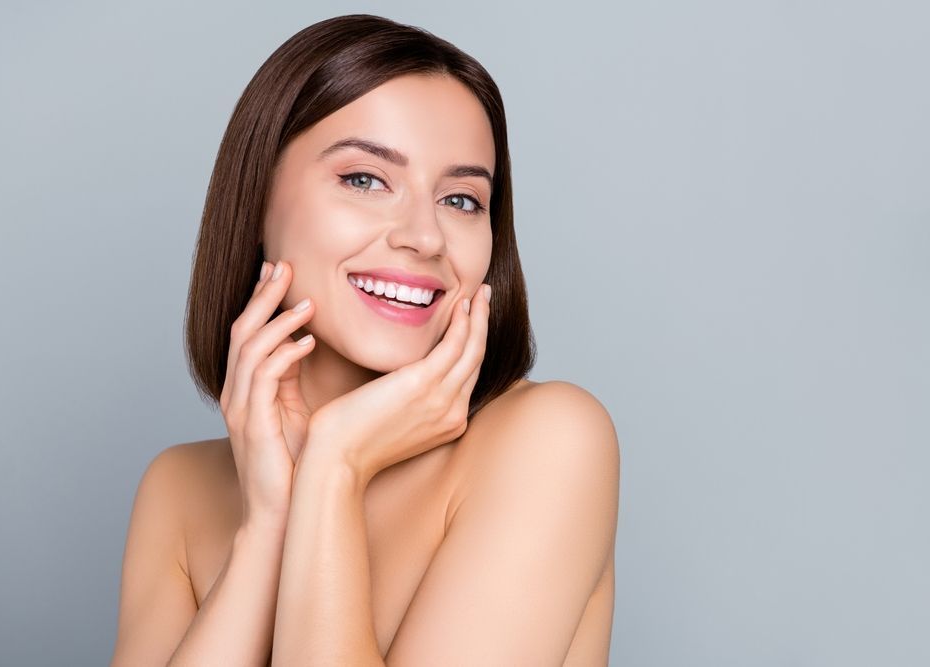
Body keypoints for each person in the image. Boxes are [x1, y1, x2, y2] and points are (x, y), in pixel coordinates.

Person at [111, 13, 619, 667]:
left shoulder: (550, 439)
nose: (425, 237)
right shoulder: (177, 489)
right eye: (365, 180)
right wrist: (267, 527)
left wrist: (336, 464)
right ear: (257, 200)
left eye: (461, 199)